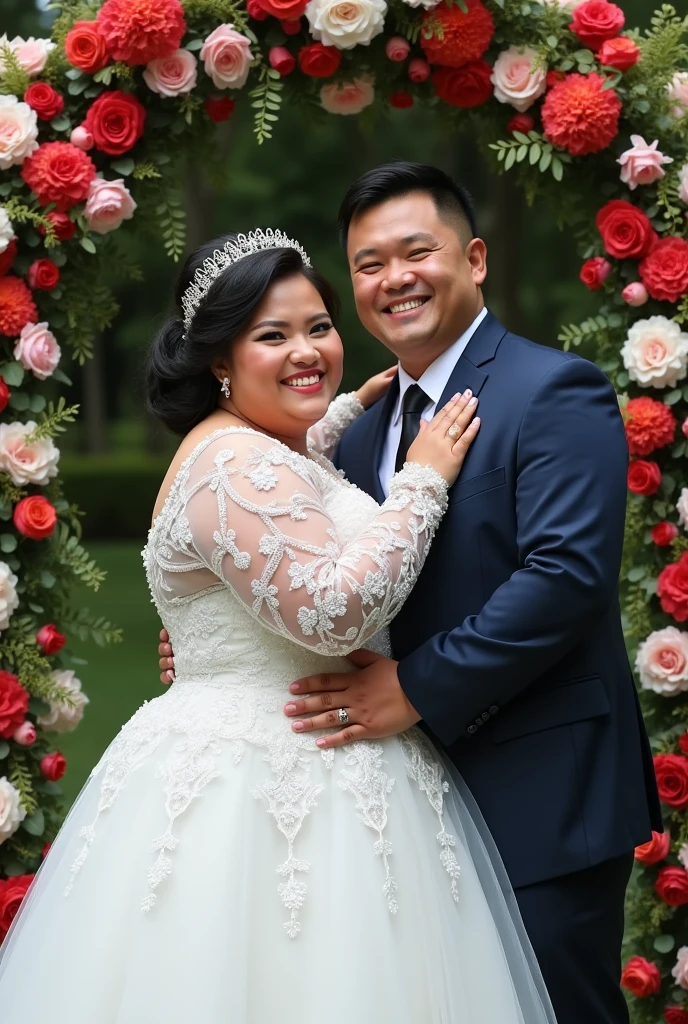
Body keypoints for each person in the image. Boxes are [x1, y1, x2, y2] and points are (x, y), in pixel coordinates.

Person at [0, 228, 556, 1024]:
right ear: (219, 360)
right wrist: (422, 481)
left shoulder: (260, 447)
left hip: (309, 748)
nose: (307, 350)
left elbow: (299, 481)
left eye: (318, 327)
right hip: (269, 783)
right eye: (273, 335)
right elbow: (335, 613)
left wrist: (350, 407)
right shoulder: (236, 463)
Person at [160, 163, 663, 1024]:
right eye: (367, 264)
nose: (394, 279)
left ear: (473, 259)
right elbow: (301, 558)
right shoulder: (357, 432)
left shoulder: (553, 390)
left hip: (537, 791)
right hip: (391, 812)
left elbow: (564, 577)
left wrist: (413, 689)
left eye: (416, 251)